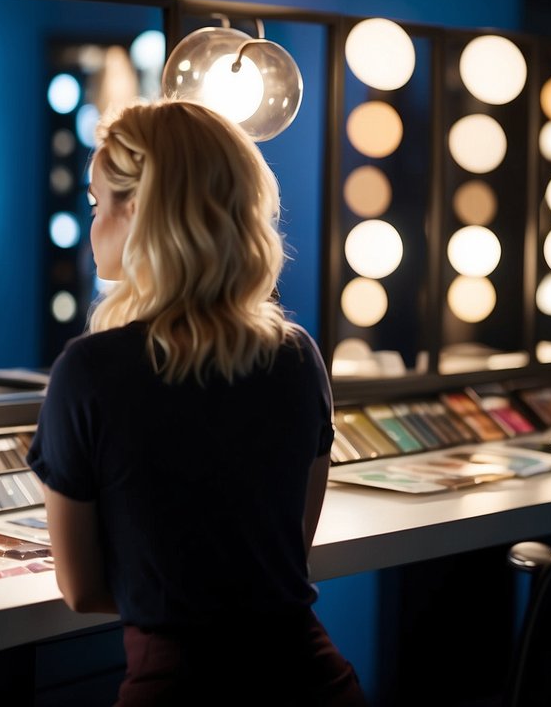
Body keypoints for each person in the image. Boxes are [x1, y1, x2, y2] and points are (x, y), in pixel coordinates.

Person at [27, 99, 366, 705]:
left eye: (97, 203)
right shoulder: (298, 356)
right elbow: (286, 554)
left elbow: (81, 591)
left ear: (141, 212)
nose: (93, 222)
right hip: (316, 684)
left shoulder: (88, 370)